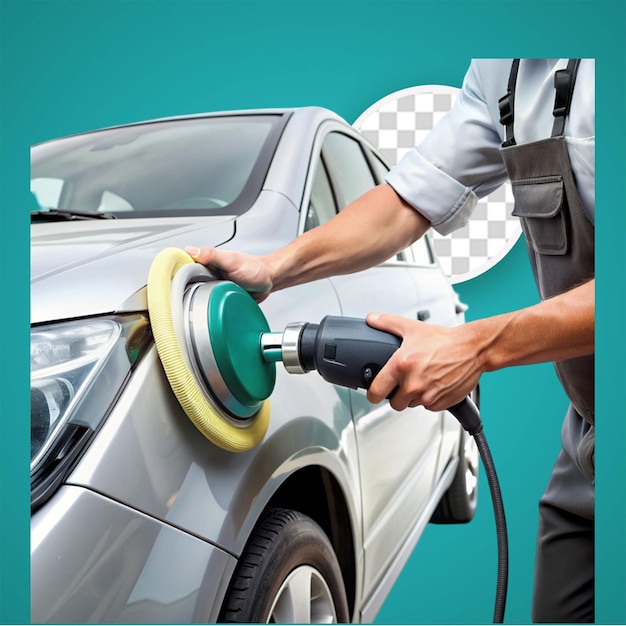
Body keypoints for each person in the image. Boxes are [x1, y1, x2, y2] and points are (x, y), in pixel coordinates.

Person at [185, 58, 595, 623]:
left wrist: (479, 346)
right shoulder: (501, 71)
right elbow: (407, 201)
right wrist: (275, 268)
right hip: (589, 434)